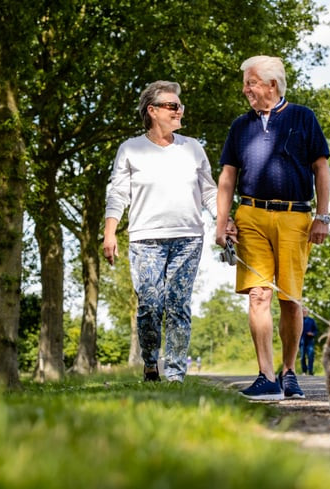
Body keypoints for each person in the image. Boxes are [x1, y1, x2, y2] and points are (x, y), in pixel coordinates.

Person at [215, 55, 330, 400]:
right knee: (258, 293)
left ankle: (289, 372)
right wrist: (222, 223)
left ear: (272, 85)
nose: (245, 89)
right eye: (246, 83)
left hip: (295, 217)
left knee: (290, 299)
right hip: (251, 214)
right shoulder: (240, 126)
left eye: (251, 82)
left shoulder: (302, 117)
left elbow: (321, 170)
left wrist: (322, 217)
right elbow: (227, 178)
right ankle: (266, 376)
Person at [103, 80, 218, 383]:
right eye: (172, 105)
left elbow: (208, 192)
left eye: (180, 105)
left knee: (178, 305)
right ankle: (151, 360)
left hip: (188, 236)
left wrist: (223, 221)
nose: (179, 110)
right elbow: (117, 194)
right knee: (150, 304)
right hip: (145, 238)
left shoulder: (192, 148)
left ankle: (177, 375)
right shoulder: (131, 149)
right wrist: (110, 232)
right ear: (152, 111)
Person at [299, 306, 318, 375]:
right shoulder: (298, 320)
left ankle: (310, 371)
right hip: (301, 341)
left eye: (305, 311)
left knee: (310, 356)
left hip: (310, 341)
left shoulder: (311, 320)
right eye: (303, 311)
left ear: (307, 312)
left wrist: (312, 334)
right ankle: (304, 371)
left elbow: (316, 331)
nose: (304, 312)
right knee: (302, 356)